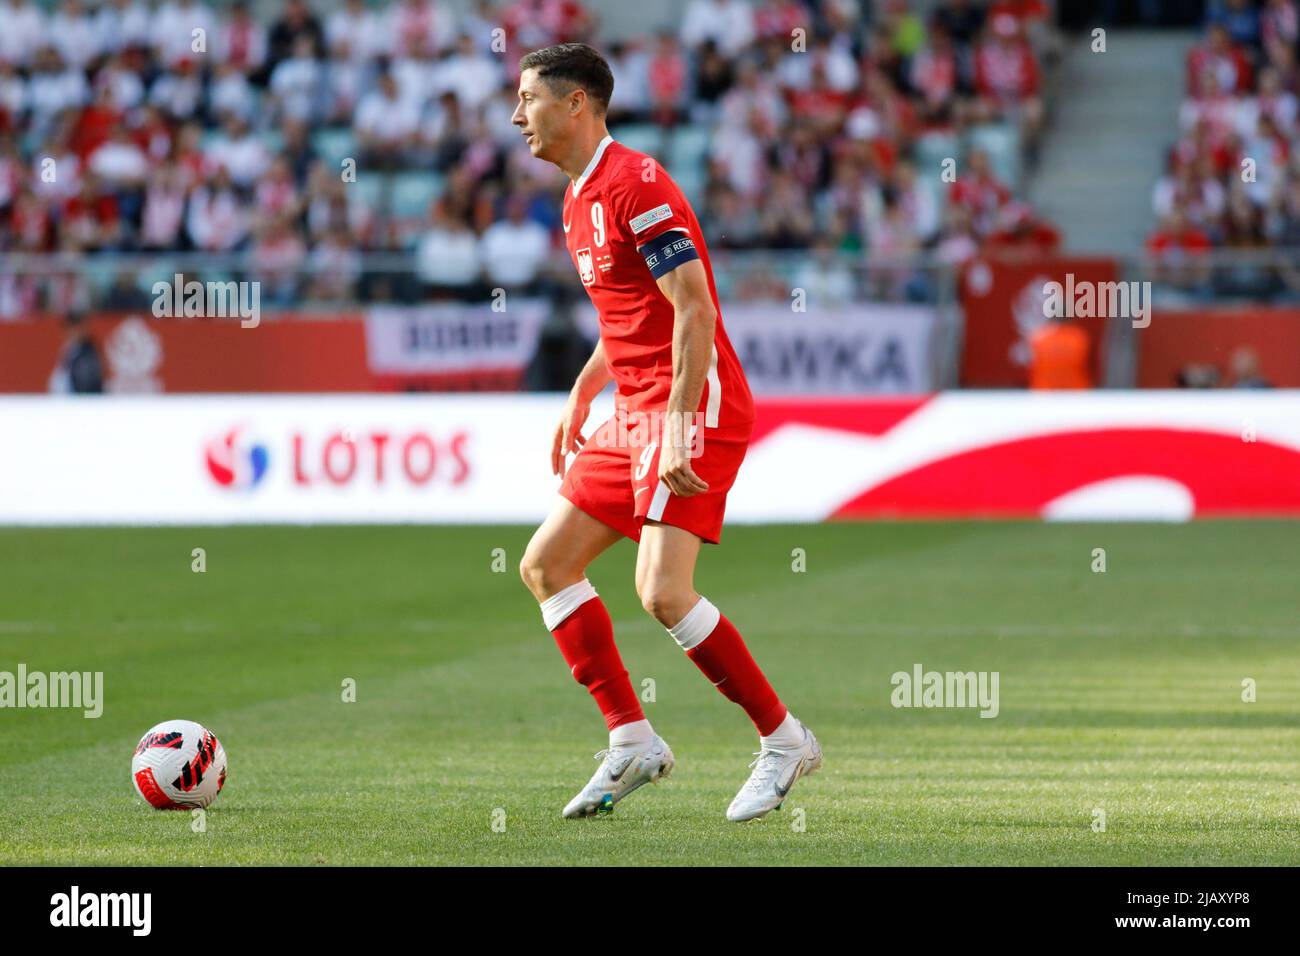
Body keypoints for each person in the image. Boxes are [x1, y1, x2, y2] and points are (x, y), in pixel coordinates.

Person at [512, 43, 821, 822]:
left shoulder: (636, 184)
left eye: (529, 99)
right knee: (547, 566)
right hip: (635, 406)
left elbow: (693, 308)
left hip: (695, 402)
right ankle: (632, 741)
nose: (518, 117)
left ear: (576, 104)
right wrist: (583, 394)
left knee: (662, 590)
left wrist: (679, 422)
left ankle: (785, 741)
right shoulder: (577, 196)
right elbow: (625, 316)